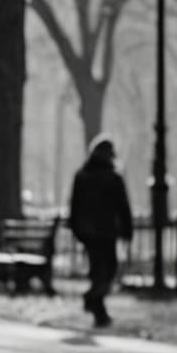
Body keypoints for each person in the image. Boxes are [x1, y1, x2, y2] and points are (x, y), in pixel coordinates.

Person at [69, 135, 134, 327]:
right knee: (108, 269)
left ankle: (97, 307)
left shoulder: (82, 176)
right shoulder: (112, 177)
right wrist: (127, 230)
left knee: (99, 270)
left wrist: (76, 228)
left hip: (89, 230)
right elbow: (122, 207)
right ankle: (93, 300)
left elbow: (74, 205)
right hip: (105, 230)